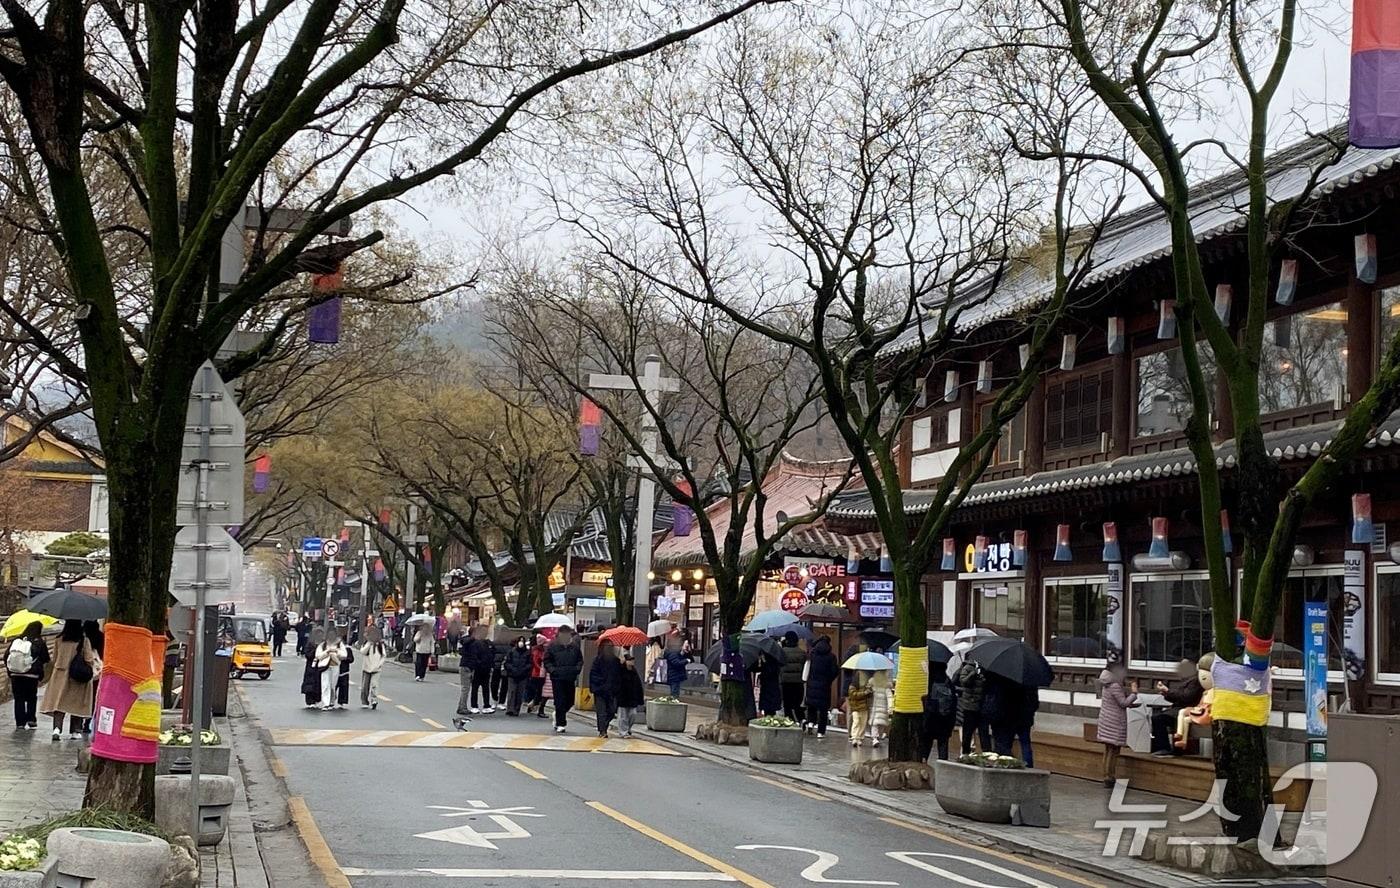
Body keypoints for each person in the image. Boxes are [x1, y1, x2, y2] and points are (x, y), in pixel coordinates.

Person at [41, 620, 97, 740]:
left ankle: (57, 729)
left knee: (59, 703)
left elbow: (55, 659)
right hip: (77, 677)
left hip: (60, 675)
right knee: (76, 704)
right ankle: (75, 731)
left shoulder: (59, 639)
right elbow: (89, 659)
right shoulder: (83, 640)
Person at [1096, 663, 1139, 787]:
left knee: (1108, 749)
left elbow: (1116, 702)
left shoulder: (1106, 683)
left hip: (1106, 719)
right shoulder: (1114, 685)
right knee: (1113, 751)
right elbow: (1123, 703)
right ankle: (1109, 777)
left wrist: (1130, 703)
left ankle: (1106, 775)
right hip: (1115, 721)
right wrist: (1134, 693)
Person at [1151, 659, 1204, 756]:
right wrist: (1166, 693)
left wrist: (1168, 690)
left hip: (1187, 709)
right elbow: (1178, 697)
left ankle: (1165, 748)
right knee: (1157, 717)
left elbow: (1186, 697)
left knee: (1159, 718)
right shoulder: (1186, 680)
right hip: (1177, 709)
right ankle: (1165, 748)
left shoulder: (1195, 681)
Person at [7, 621, 50, 729]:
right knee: (31, 697)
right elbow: (46, 658)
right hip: (32, 675)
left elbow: (6, 656)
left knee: (18, 698)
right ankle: (31, 719)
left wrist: (10, 671)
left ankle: (20, 723)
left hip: (16, 674)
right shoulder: (39, 641)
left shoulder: (17, 641)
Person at [543, 627, 583, 734]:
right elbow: (547, 660)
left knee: (570, 700)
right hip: (557, 678)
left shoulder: (574, 646)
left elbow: (580, 660)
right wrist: (553, 670)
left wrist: (577, 669)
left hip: (570, 677)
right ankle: (561, 723)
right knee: (560, 700)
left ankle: (558, 714)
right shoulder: (552, 646)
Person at [919, 661, 958, 761]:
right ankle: (943, 765)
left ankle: (923, 764)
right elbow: (954, 702)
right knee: (943, 744)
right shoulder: (948, 682)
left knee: (926, 744)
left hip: (931, 719)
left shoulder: (929, 682)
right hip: (946, 720)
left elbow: (925, 699)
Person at [802, 636, 838, 738]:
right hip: (824, 686)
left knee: (811, 705)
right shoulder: (831, 657)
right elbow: (834, 671)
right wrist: (828, 680)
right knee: (823, 709)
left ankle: (810, 723)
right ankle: (820, 732)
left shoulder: (812, 654)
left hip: (812, 684)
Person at [954, 658, 991, 754]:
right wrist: (972, 674)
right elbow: (963, 682)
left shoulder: (985, 669)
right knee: (968, 732)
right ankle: (965, 753)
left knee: (984, 733)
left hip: (982, 706)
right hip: (969, 706)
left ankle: (987, 753)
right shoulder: (967, 668)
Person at [589, 640, 623, 738]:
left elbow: (619, 676)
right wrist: (599, 685)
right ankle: (602, 731)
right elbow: (593, 675)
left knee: (612, 711)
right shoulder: (597, 660)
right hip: (600, 690)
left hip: (612, 691)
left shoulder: (616, 661)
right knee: (601, 712)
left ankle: (604, 726)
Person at [461, 625, 495, 714]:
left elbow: (492, 654)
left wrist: (491, 665)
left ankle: (486, 705)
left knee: (486, 688)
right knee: (473, 688)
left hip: (486, 668)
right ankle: (473, 706)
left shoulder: (488, 643)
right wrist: (478, 664)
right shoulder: (472, 642)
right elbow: (473, 655)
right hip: (476, 668)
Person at [313, 630, 346, 711]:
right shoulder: (323, 645)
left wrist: (336, 651)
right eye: (330, 634)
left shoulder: (339, 644)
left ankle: (331, 701)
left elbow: (344, 655)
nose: (331, 636)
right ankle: (325, 703)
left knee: (332, 685)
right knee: (325, 685)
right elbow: (318, 656)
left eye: (333, 634)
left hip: (335, 666)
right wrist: (327, 652)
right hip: (325, 666)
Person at [779, 631, 806, 724]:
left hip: (785, 682)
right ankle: (802, 719)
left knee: (787, 705)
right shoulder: (802, 653)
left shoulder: (782, 652)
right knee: (797, 704)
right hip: (798, 682)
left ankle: (790, 721)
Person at [617, 651, 645, 738]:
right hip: (622, 697)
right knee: (623, 716)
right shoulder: (621, 670)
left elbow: (638, 685)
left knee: (633, 714)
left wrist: (640, 698)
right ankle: (623, 732)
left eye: (632, 660)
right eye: (629, 660)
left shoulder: (634, 671)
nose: (631, 662)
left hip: (632, 697)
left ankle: (628, 728)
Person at [503, 636, 532, 716]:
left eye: (522, 641)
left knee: (520, 693)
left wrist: (524, 669)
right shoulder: (511, 651)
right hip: (512, 675)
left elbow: (529, 664)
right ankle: (510, 709)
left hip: (523, 676)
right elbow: (507, 663)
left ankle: (516, 709)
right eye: (520, 641)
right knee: (512, 692)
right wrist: (512, 669)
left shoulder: (528, 653)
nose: (521, 643)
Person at [846, 671, 873, 747]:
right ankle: (854, 737)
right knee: (856, 721)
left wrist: (869, 691)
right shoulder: (852, 686)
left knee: (863, 723)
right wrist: (864, 693)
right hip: (856, 707)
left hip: (864, 707)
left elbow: (869, 696)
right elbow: (853, 695)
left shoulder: (866, 686)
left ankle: (860, 738)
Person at [359, 635, 386, 709]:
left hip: (376, 668)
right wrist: (369, 644)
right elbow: (362, 652)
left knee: (374, 685)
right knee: (365, 686)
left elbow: (383, 656)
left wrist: (380, 664)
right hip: (367, 668)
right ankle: (364, 701)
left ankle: (374, 700)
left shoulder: (380, 645)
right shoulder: (366, 643)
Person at [301, 627, 325, 708]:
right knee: (310, 683)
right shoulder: (310, 643)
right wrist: (315, 651)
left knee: (319, 683)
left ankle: (317, 699)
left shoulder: (324, 644)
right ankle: (310, 701)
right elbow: (308, 654)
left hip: (321, 666)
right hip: (311, 667)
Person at [869, 670, 892, 747]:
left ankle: (875, 738)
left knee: (874, 724)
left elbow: (869, 695)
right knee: (880, 724)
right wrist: (890, 708)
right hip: (883, 709)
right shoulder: (887, 686)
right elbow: (890, 697)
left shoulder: (872, 685)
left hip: (874, 708)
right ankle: (877, 737)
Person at [527, 635, 548, 717]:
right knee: (539, 691)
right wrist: (541, 669)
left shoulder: (542, 651)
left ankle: (533, 704)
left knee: (540, 692)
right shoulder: (537, 651)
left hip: (541, 674)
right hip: (537, 674)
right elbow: (535, 662)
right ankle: (533, 704)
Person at [756, 650, 782, 717]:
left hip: (768, 686)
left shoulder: (768, 661)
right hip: (771, 686)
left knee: (768, 705)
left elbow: (767, 671)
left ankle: (769, 716)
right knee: (770, 705)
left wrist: (764, 662)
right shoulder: (775, 659)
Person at [335, 637, 355, 709]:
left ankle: (341, 702)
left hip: (344, 671)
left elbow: (351, 659)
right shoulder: (333, 649)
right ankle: (331, 700)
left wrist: (345, 658)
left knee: (343, 687)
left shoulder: (347, 649)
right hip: (334, 670)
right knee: (333, 686)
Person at [491, 637, 509, 706]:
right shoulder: (495, 643)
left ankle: (500, 701)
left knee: (503, 685)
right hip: (498, 666)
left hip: (503, 667)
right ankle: (497, 700)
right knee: (496, 685)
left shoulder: (509, 644)